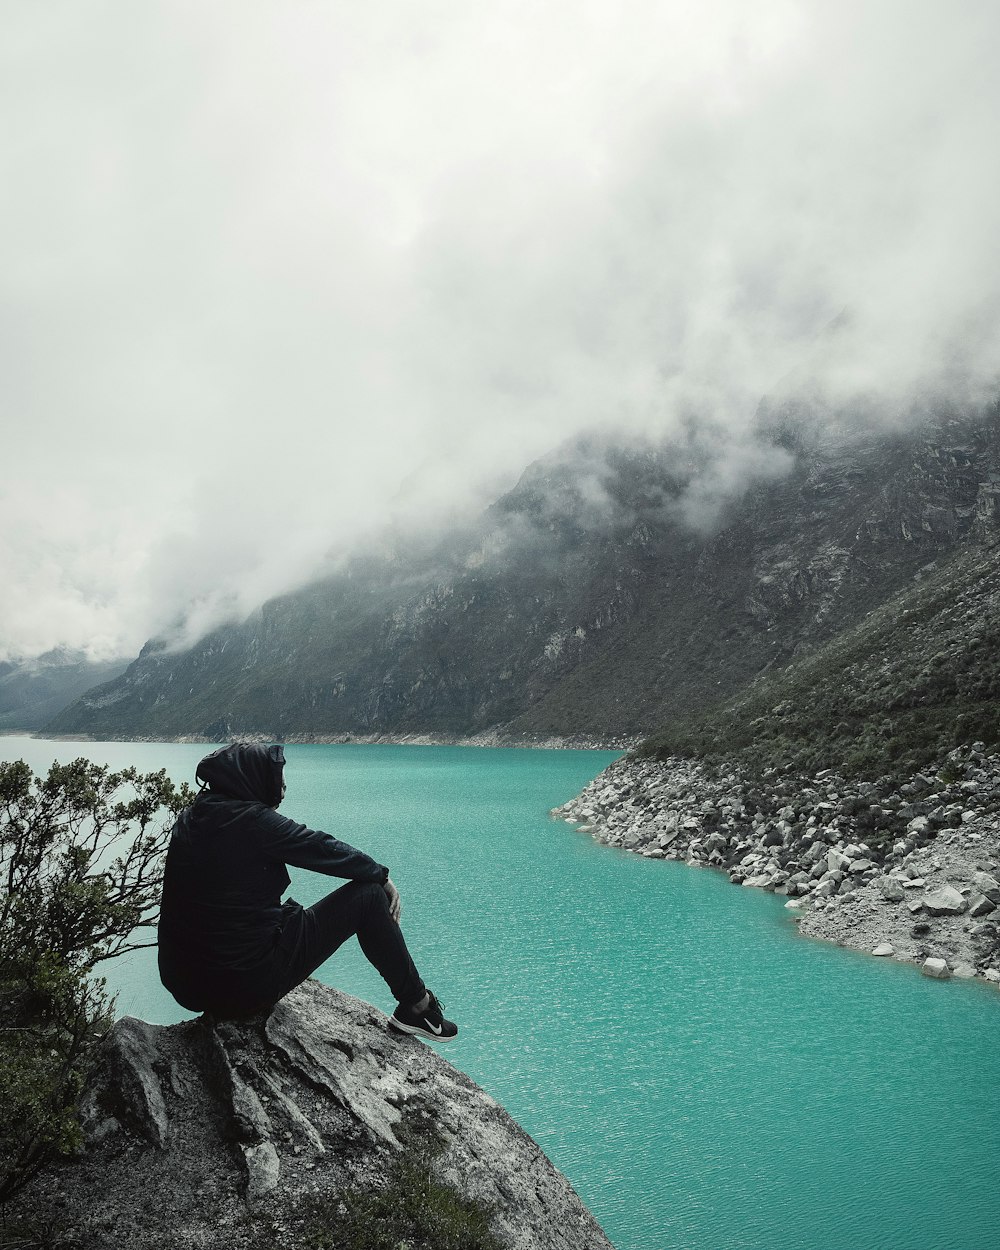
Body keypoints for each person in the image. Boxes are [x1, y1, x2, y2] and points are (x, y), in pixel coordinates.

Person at [157, 741, 457, 1042]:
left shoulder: (193, 816)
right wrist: (380, 876)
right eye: (276, 781)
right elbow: (321, 847)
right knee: (369, 896)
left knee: (285, 915)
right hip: (241, 987)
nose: (283, 790)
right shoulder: (253, 822)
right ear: (250, 779)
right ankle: (418, 1006)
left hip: (185, 985)